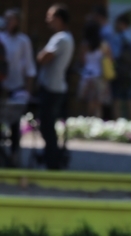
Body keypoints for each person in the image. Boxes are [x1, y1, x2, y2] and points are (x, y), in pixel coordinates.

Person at [36, 3, 74, 170]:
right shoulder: (67, 37)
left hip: (52, 88)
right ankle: (52, 158)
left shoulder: (61, 38)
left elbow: (43, 58)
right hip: (56, 87)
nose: (47, 21)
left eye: (50, 17)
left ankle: (53, 162)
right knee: (48, 126)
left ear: (59, 19)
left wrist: (40, 53)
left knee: (47, 127)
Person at [0, 9, 36, 167]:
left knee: (14, 123)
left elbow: (29, 66)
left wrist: (27, 90)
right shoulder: (1, 38)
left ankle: (14, 155)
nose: (8, 22)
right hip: (2, 87)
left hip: (17, 87)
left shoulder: (23, 40)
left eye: (11, 19)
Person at [77, 20, 111, 118]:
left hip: (87, 76)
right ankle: (98, 126)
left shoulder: (84, 45)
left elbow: (82, 60)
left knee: (89, 104)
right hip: (100, 77)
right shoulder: (104, 45)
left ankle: (90, 124)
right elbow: (110, 60)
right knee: (98, 105)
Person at [110, 13, 131, 120]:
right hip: (130, 72)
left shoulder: (119, 37)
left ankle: (117, 125)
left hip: (119, 72)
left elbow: (115, 55)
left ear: (122, 24)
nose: (115, 26)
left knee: (116, 99)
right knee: (130, 100)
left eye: (117, 24)